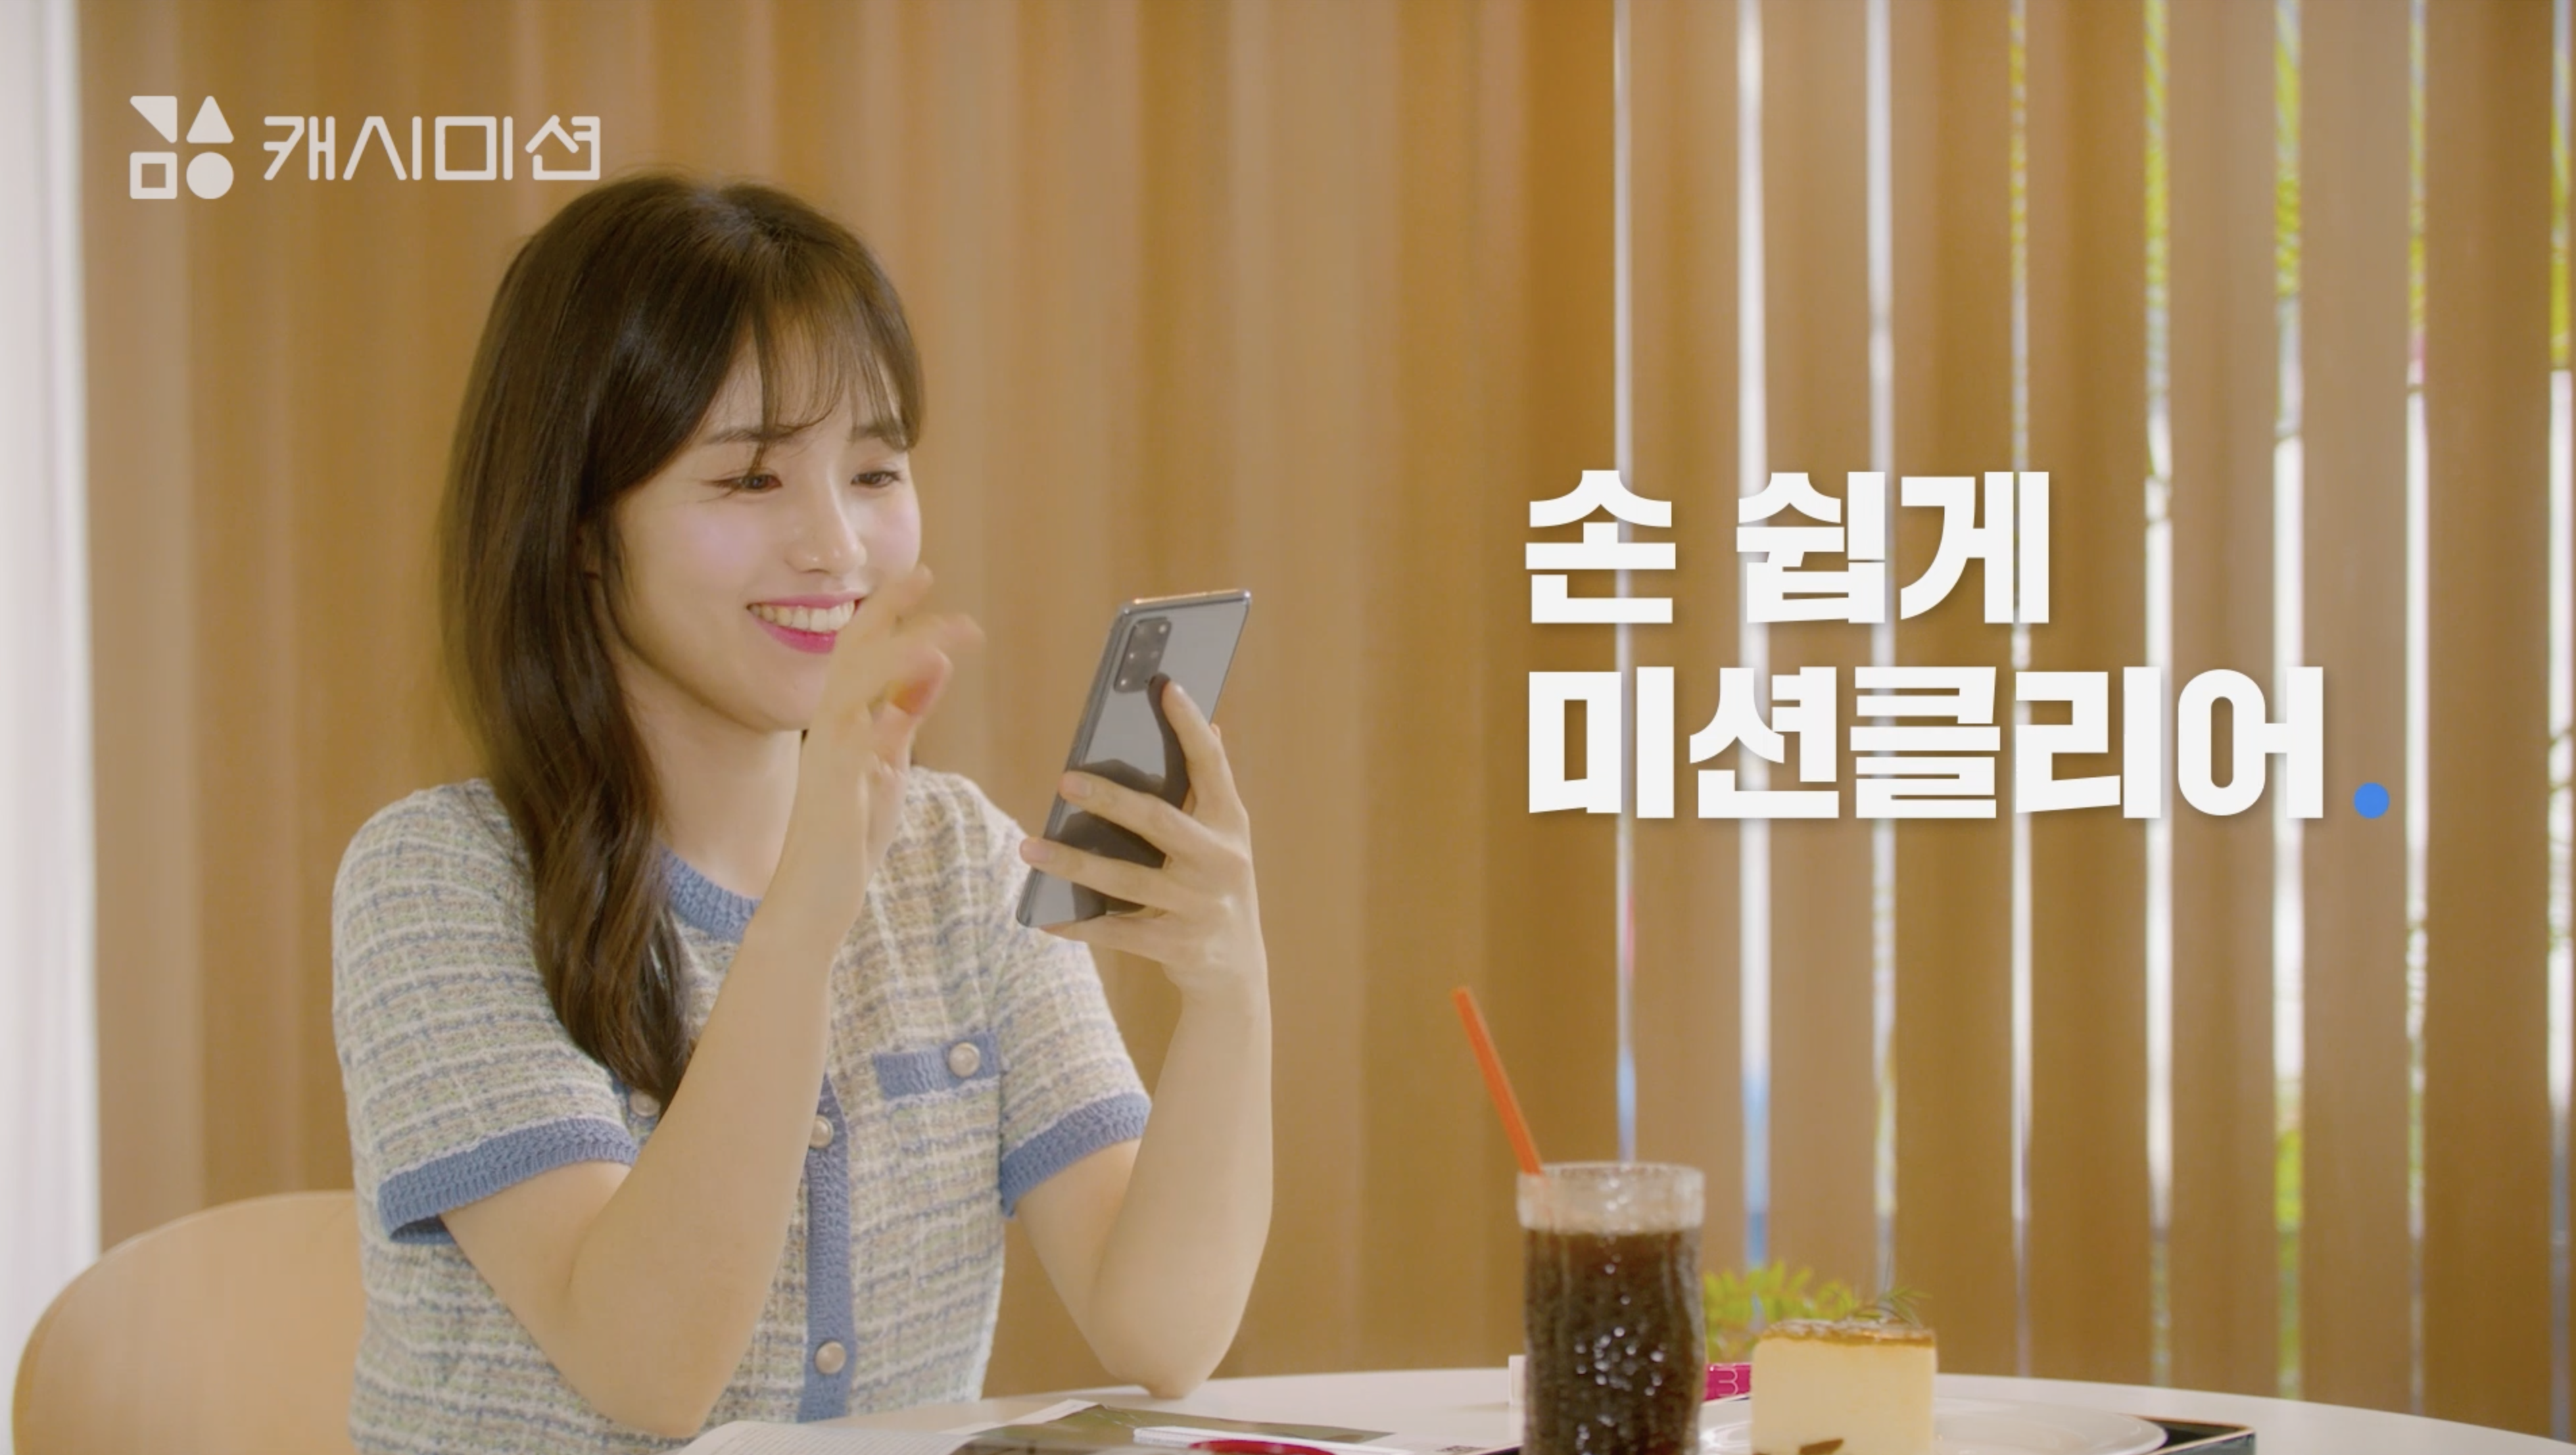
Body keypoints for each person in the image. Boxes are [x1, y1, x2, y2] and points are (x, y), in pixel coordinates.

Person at [330, 172, 1273, 1454]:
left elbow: (1160, 1331)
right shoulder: (437, 880)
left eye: (875, 471)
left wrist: (1228, 991)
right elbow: (648, 1371)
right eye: (750, 481)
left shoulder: (954, 855)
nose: (838, 546)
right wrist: (806, 910)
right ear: (583, 530)